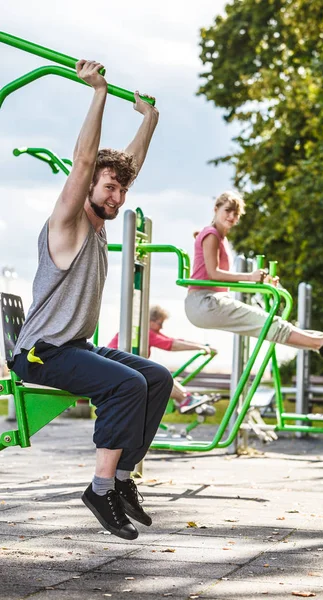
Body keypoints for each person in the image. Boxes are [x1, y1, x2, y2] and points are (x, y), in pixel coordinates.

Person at [10, 60, 173, 541]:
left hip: (75, 347)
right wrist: (98, 92)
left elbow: (129, 166)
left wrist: (150, 120)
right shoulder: (70, 223)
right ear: (89, 188)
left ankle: (122, 481)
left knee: (156, 378)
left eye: (122, 189)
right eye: (109, 186)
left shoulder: (101, 222)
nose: (118, 195)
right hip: (41, 352)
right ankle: (100, 488)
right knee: (125, 387)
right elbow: (85, 164)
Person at [185, 191, 323, 356]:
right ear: (216, 209)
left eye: (236, 214)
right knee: (268, 324)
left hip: (209, 302)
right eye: (227, 210)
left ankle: (321, 341)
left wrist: (260, 284)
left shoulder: (220, 238)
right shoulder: (211, 234)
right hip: (203, 302)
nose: (231, 217)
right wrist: (250, 276)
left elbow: (222, 282)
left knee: (270, 324)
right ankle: (321, 344)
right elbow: (214, 274)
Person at [108, 305, 218, 414]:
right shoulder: (144, 332)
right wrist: (200, 347)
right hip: (118, 370)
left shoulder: (145, 331)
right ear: (151, 321)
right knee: (159, 376)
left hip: (124, 367)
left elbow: (172, 340)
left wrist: (202, 345)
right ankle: (184, 399)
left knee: (160, 374)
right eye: (160, 324)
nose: (161, 327)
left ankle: (186, 398)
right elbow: (170, 344)